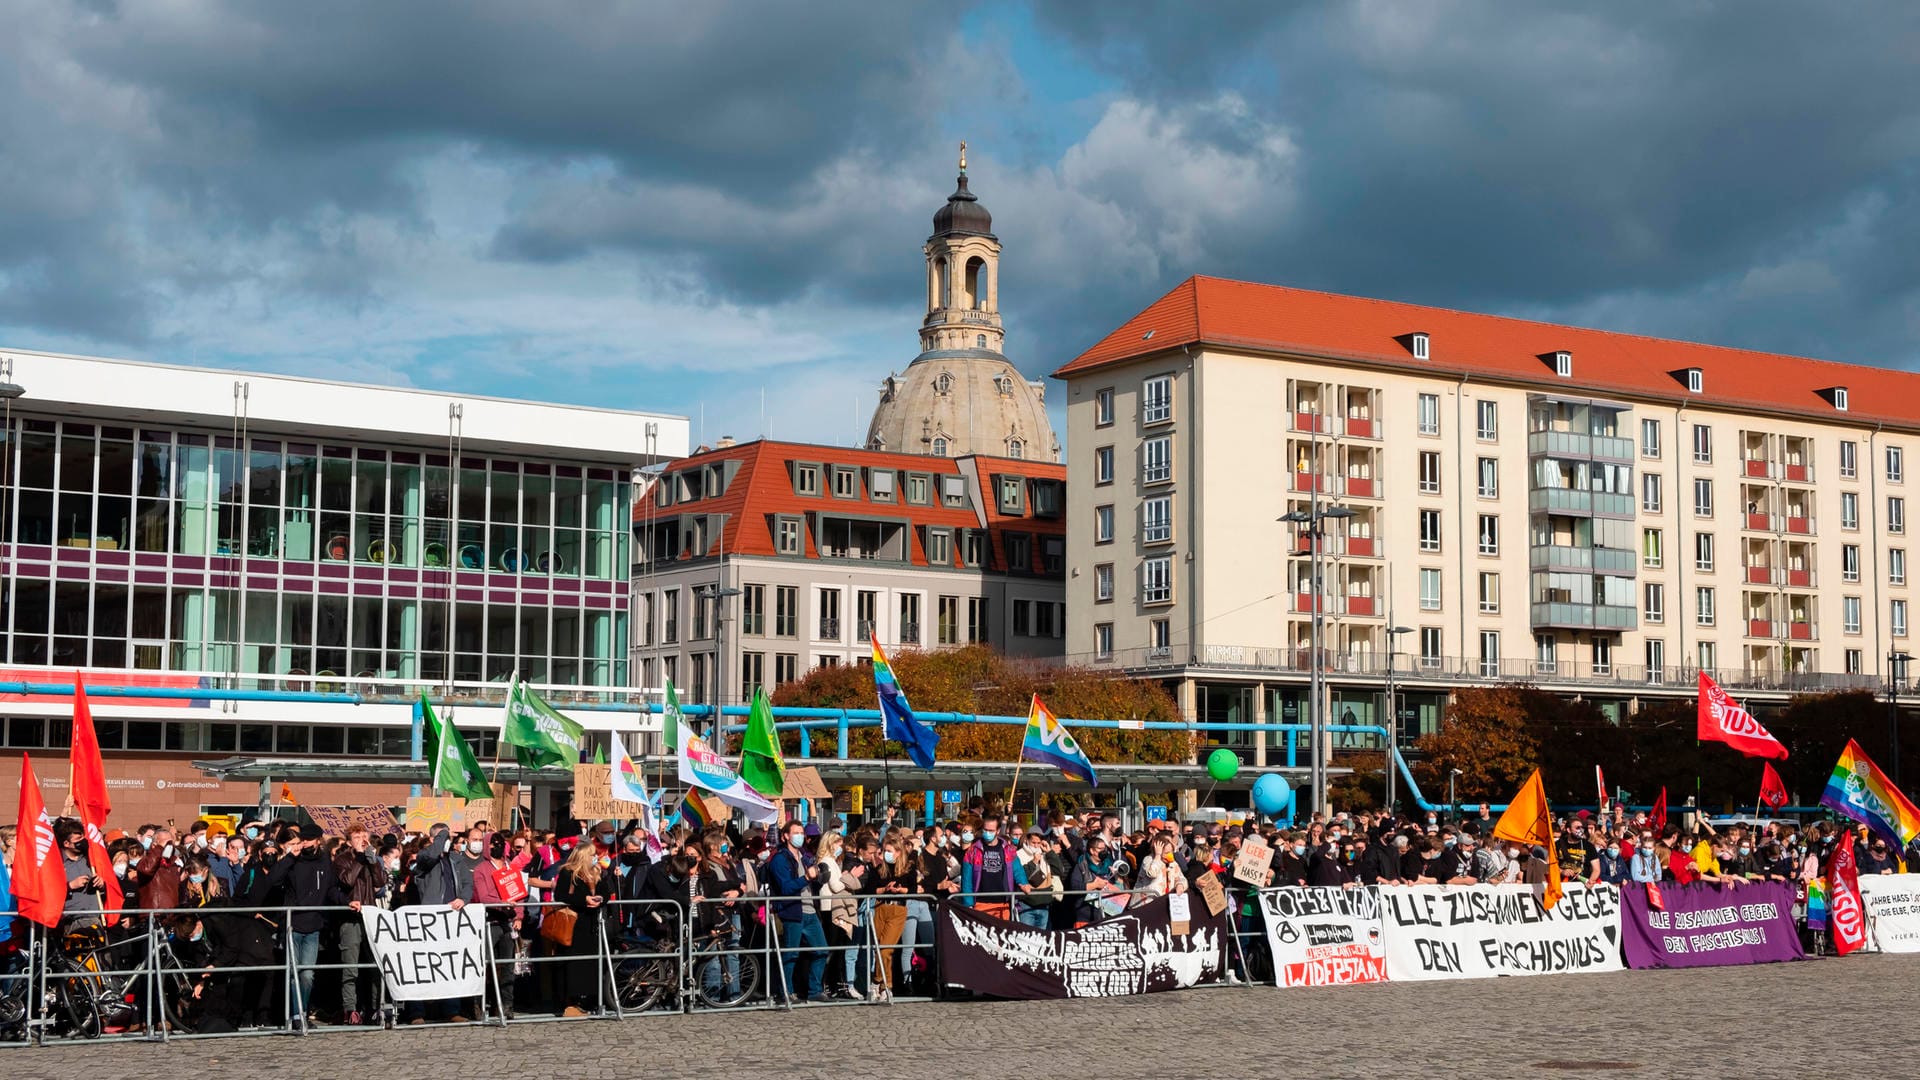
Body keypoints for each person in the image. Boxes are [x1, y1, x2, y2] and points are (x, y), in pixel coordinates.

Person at [331, 824, 388, 1025]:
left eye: (365, 836)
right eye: (357, 837)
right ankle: (350, 1009)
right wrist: (360, 858)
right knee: (351, 966)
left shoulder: (371, 858)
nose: (362, 840)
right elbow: (347, 880)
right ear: (349, 841)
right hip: (350, 919)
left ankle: (374, 1008)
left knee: (374, 965)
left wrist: (372, 861)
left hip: (370, 916)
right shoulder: (342, 860)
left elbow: (381, 881)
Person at [552, 839, 616, 1018]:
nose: (596, 857)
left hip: (592, 924)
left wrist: (601, 899)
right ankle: (570, 1002)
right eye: (593, 854)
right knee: (573, 963)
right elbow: (561, 895)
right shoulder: (568, 873)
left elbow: (606, 892)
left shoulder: (597, 872)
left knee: (590, 963)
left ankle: (587, 999)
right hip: (574, 923)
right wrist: (584, 900)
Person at [767, 819, 828, 1004]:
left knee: (822, 951)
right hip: (792, 911)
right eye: (796, 833)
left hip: (810, 911)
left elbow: (813, 880)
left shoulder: (804, 856)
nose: (800, 836)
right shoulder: (779, 859)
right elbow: (785, 887)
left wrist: (819, 878)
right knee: (790, 954)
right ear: (786, 836)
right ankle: (785, 992)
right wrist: (806, 877)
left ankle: (814, 990)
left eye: (802, 833)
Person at [470, 832, 526, 1020]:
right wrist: (503, 902)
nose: (497, 846)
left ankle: (505, 1005)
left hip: (508, 922)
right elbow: (483, 896)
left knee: (507, 967)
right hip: (489, 922)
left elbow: (519, 895)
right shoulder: (481, 869)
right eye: (493, 843)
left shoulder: (511, 867)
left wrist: (519, 915)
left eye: (500, 843)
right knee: (484, 965)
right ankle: (478, 1005)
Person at [960, 814, 1026, 918]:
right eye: (985, 830)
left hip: (1003, 903)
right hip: (980, 902)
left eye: (991, 830)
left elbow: (1017, 869)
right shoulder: (972, 851)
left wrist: (1023, 883)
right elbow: (966, 879)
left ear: (998, 831)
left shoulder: (1008, 849)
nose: (987, 833)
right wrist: (968, 903)